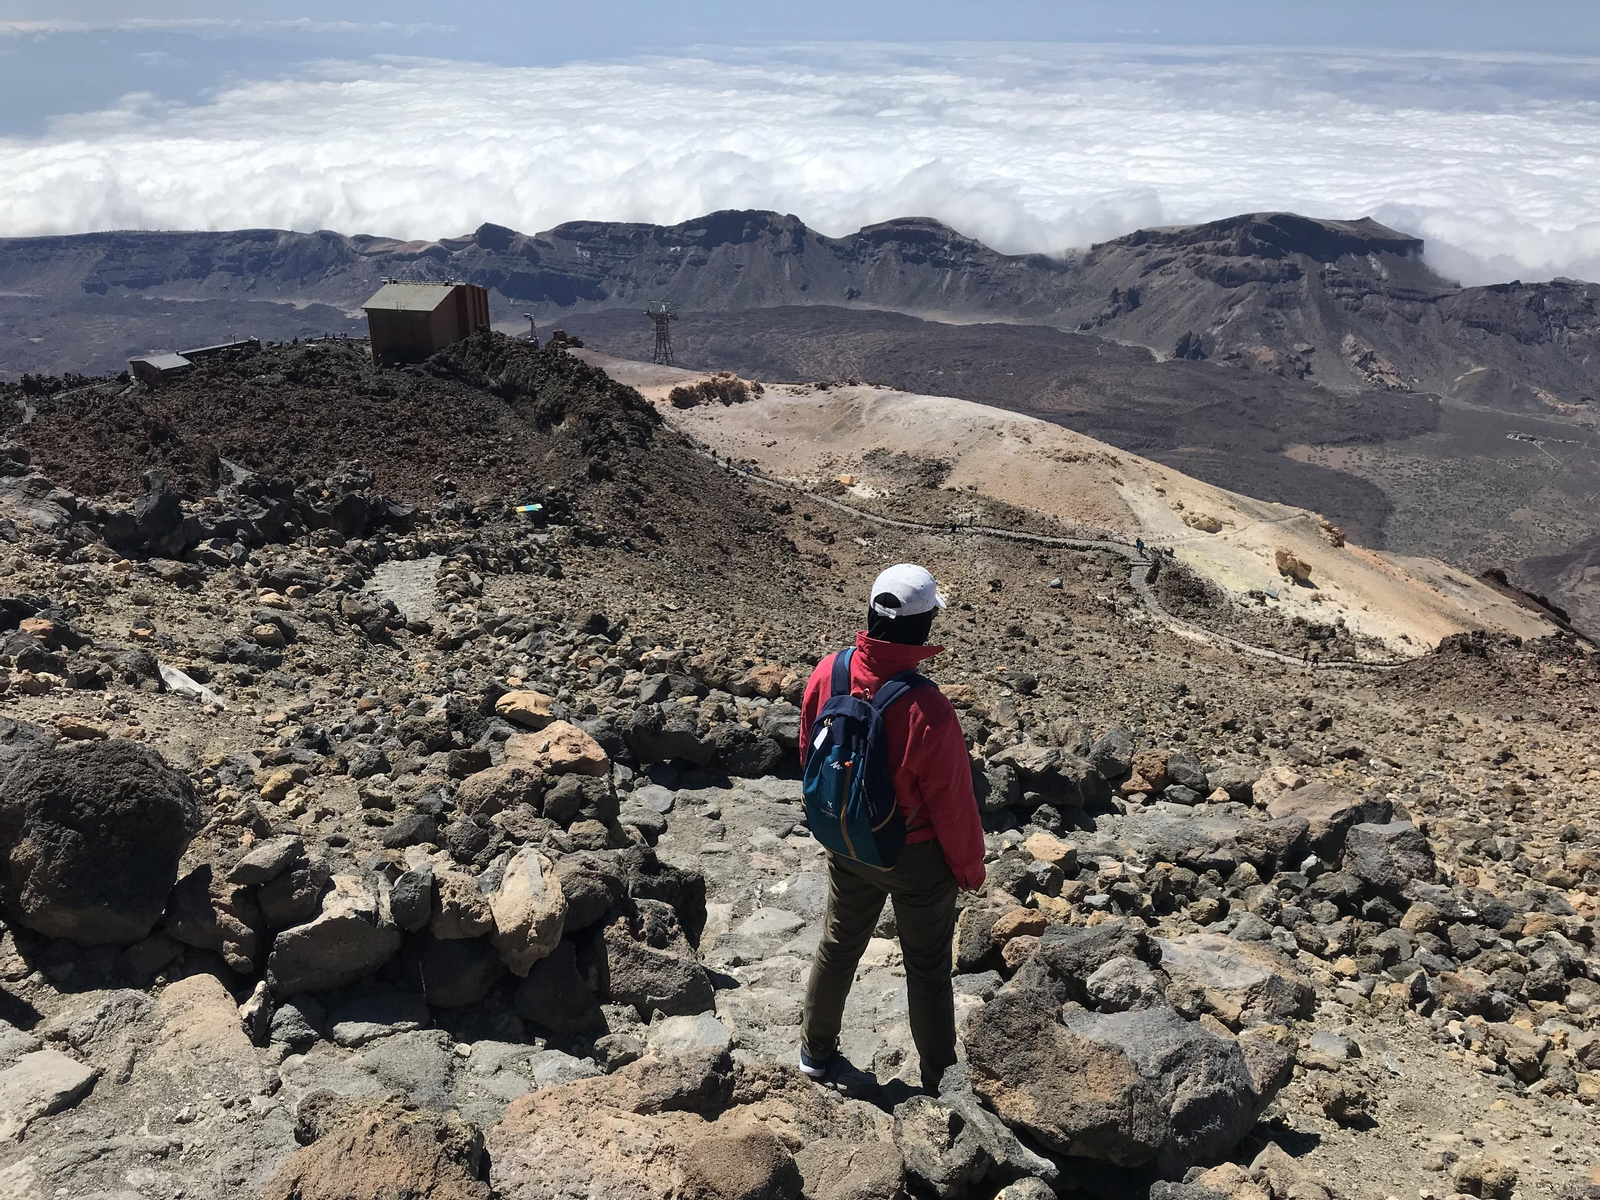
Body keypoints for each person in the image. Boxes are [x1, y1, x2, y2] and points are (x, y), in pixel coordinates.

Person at [797, 563, 986, 1093]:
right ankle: (939, 1081)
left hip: (848, 840)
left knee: (838, 945)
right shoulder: (930, 710)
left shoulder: (826, 673)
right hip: (915, 860)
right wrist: (969, 869)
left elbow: (809, 754)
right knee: (926, 969)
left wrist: (832, 820)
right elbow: (953, 804)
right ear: (925, 627)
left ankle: (814, 1053)